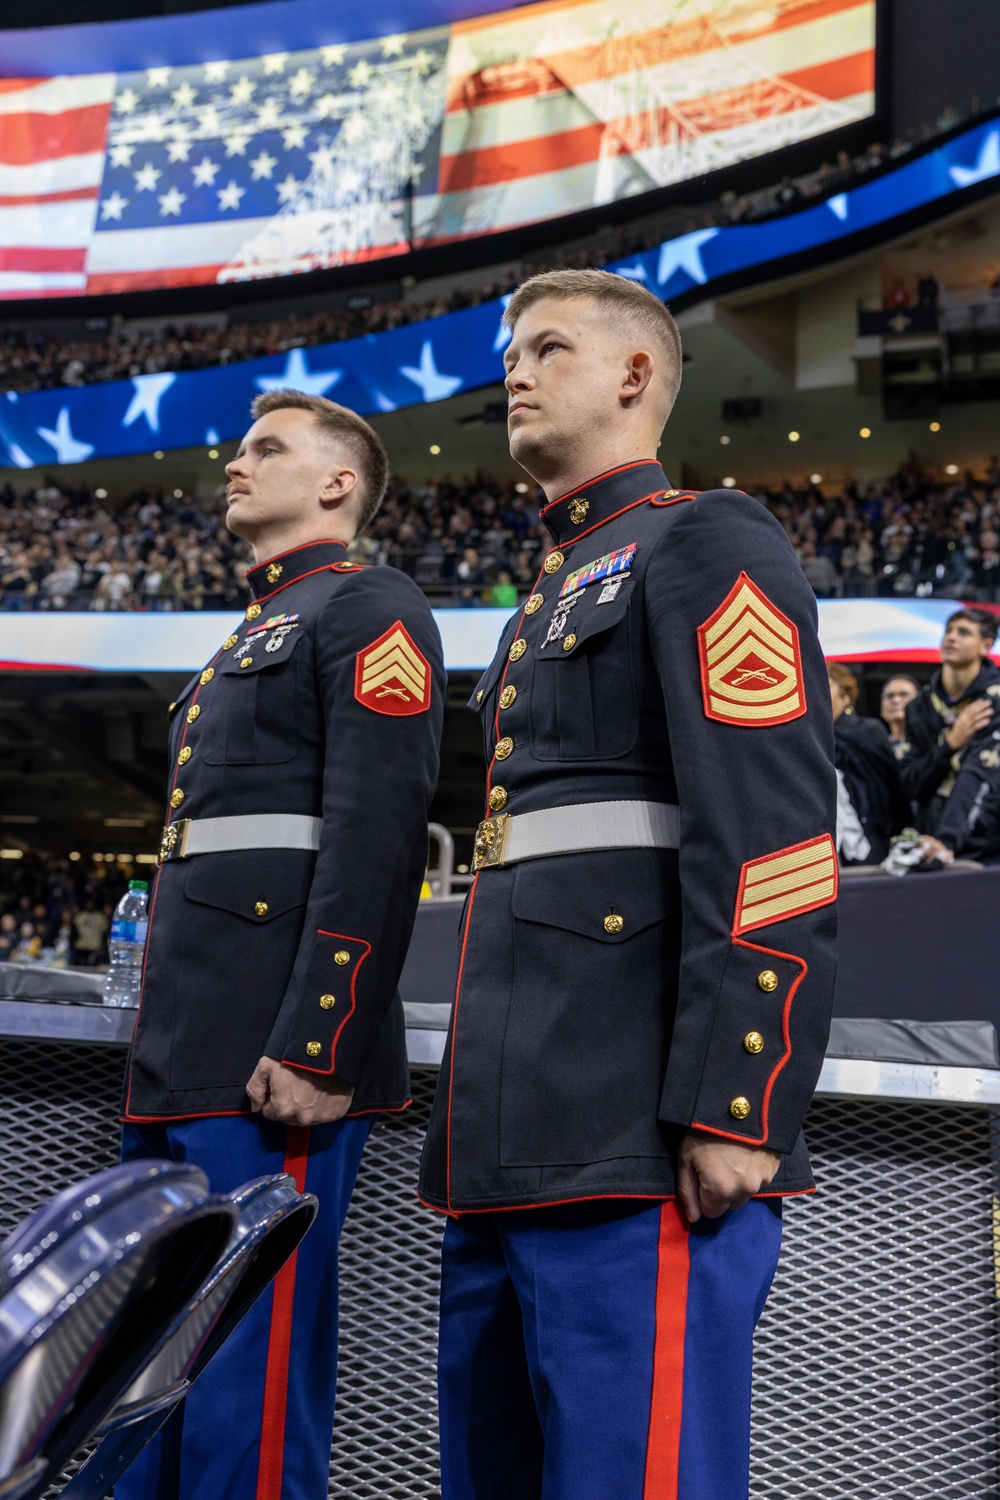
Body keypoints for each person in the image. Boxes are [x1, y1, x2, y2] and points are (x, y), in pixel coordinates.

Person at [418, 268, 837, 1499]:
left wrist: (735, 1102)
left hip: (636, 1133)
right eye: (513, 352)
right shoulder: (541, 593)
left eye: (548, 347)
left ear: (634, 374)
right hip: (509, 1138)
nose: (516, 370)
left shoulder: (704, 537)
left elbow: (772, 841)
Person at [118, 390, 445, 1500]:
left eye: (267, 449)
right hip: (188, 1043)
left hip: (269, 1049)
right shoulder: (252, 631)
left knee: (243, 1374)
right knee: (148, 1365)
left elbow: (377, 835)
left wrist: (321, 1039)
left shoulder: (368, 608)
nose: (235, 464)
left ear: (338, 484)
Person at [896, 608, 1000, 865]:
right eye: (948, 631)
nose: (951, 638)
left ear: (985, 645)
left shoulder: (995, 701)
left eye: (963, 633)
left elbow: (980, 775)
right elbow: (912, 785)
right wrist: (951, 744)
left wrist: (948, 840)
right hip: (930, 843)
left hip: (987, 847)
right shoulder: (918, 707)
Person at [829, 663, 909, 864]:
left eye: (825, 686)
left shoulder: (868, 730)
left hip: (871, 833)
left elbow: (891, 785)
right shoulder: (811, 740)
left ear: (846, 698)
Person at [880, 674, 920, 743]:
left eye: (903, 694)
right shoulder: (876, 748)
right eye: (890, 696)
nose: (896, 700)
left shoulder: (932, 746)